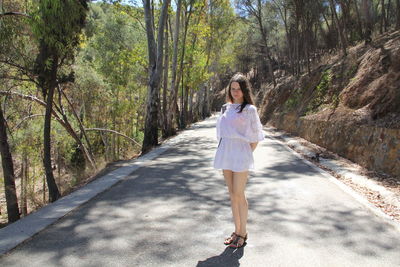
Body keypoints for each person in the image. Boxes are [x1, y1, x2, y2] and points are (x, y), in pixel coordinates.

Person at [213, 72, 265, 249]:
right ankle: (236, 231)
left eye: (239, 89)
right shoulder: (224, 108)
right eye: (233, 89)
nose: (235, 92)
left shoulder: (250, 110)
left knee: (239, 193)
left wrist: (245, 153)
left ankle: (243, 233)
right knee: (232, 195)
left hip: (241, 153)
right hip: (225, 152)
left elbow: (256, 136)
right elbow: (221, 133)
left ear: (244, 90)